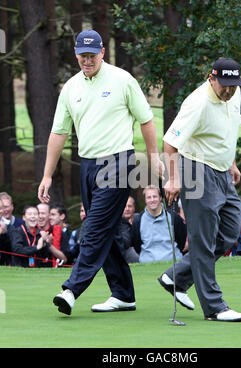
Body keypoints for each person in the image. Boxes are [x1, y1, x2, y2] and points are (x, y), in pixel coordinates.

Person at [38, 29, 164, 315]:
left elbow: (146, 121)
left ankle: (71, 290)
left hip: (119, 163)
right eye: (82, 55)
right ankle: (123, 294)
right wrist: (47, 174)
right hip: (88, 165)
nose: (87, 60)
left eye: (92, 55)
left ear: (102, 52)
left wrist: (154, 158)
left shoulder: (122, 80)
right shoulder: (71, 88)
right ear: (76, 54)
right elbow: (58, 133)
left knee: (92, 229)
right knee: (104, 231)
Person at [159, 57, 241, 322]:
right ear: (212, 78)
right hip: (195, 170)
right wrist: (173, 179)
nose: (229, 90)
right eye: (224, 85)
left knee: (230, 232)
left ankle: (176, 277)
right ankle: (214, 307)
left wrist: (231, 162)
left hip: (221, 172)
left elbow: (228, 129)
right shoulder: (197, 103)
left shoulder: (235, 93)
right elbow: (170, 144)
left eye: (233, 85)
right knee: (203, 240)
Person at [131, 185, 186, 263]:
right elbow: (136, 243)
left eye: (155, 196)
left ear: (160, 198)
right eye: (149, 197)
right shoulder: (138, 220)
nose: (152, 200)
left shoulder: (173, 217)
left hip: (173, 262)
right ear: (145, 200)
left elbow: (181, 241)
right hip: (147, 263)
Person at [119, 196, 139, 263]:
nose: (127, 209)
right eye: (125, 206)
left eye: (130, 206)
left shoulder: (140, 219)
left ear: (134, 207)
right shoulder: (117, 223)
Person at [0, 198, 12, 266]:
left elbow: (10, 250)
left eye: (1, 208)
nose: (0, 211)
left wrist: (4, 234)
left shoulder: (8, 225)